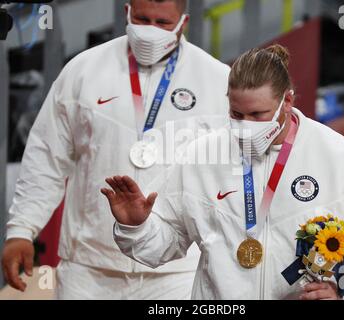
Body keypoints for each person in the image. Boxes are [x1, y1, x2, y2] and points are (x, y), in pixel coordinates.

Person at [103, 45, 344, 300]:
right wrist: (136, 227)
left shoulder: (341, 158)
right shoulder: (201, 156)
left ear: (287, 101)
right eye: (236, 114)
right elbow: (163, 247)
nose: (246, 125)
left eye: (258, 115)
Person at [2, 0, 230, 299]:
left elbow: (232, 177)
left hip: (177, 271)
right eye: (142, 19)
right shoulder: (83, 71)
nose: (150, 31)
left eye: (162, 23)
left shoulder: (217, 81)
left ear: (183, 23)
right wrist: (22, 228)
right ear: (126, 13)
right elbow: (46, 156)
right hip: (88, 268)